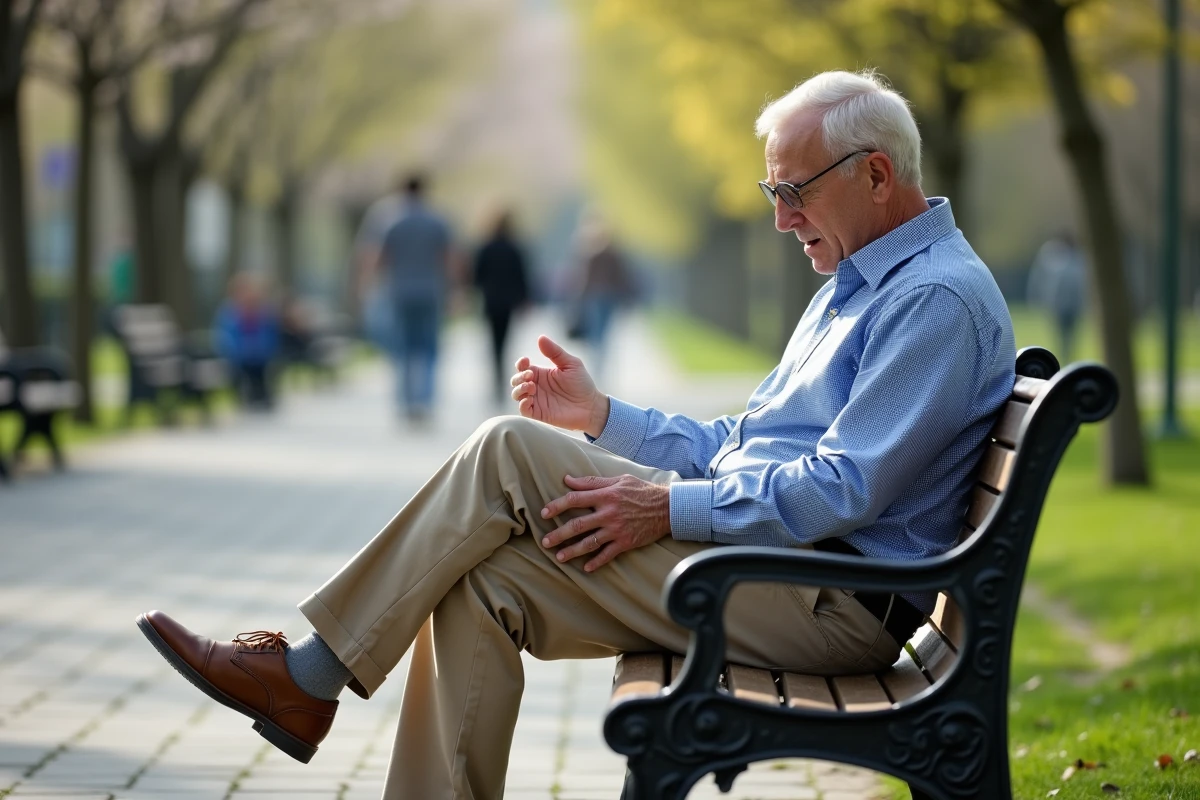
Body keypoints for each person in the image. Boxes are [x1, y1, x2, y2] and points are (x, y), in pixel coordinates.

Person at [136, 70, 1015, 799]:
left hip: (822, 598)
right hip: (776, 575)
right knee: (480, 581)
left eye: (795, 190)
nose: (782, 216)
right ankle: (321, 694)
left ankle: (310, 676)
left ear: (874, 175)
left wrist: (666, 507)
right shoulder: (858, 285)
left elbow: (840, 488)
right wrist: (603, 419)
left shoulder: (929, 299)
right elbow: (741, 443)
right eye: (772, 190)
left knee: (505, 451)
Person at [375, 174, 453, 421]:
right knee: (429, 349)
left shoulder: (391, 221)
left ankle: (405, 403)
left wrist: (373, 284)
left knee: (403, 348)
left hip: (399, 292)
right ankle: (425, 402)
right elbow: (449, 258)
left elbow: (379, 257)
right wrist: (455, 289)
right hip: (431, 291)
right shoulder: (437, 221)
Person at [473, 210, 531, 404]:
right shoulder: (514, 248)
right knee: (504, 343)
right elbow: (521, 276)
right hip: (507, 303)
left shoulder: (486, 247)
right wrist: (524, 300)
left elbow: (477, 276)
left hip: (491, 301)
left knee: (493, 344)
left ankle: (496, 382)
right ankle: (501, 381)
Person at [570, 219, 635, 380]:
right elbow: (622, 278)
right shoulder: (614, 254)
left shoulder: (591, 253)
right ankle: (601, 365)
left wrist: (579, 299)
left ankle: (597, 365)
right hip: (610, 297)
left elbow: (585, 279)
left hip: (596, 297)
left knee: (596, 332)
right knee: (604, 332)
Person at [214, 274, 280, 409]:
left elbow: (271, 335)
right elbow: (225, 338)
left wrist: (261, 348)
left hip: (260, 356)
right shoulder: (229, 313)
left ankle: (261, 394)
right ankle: (248, 394)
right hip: (239, 356)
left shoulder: (264, 312)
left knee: (261, 369)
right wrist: (239, 350)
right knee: (242, 370)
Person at [1026, 231, 1087, 361]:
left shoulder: (1075, 260)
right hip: (1061, 305)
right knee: (1063, 335)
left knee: (1070, 335)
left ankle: (1068, 357)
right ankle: (1065, 357)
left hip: (1071, 304)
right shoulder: (1055, 257)